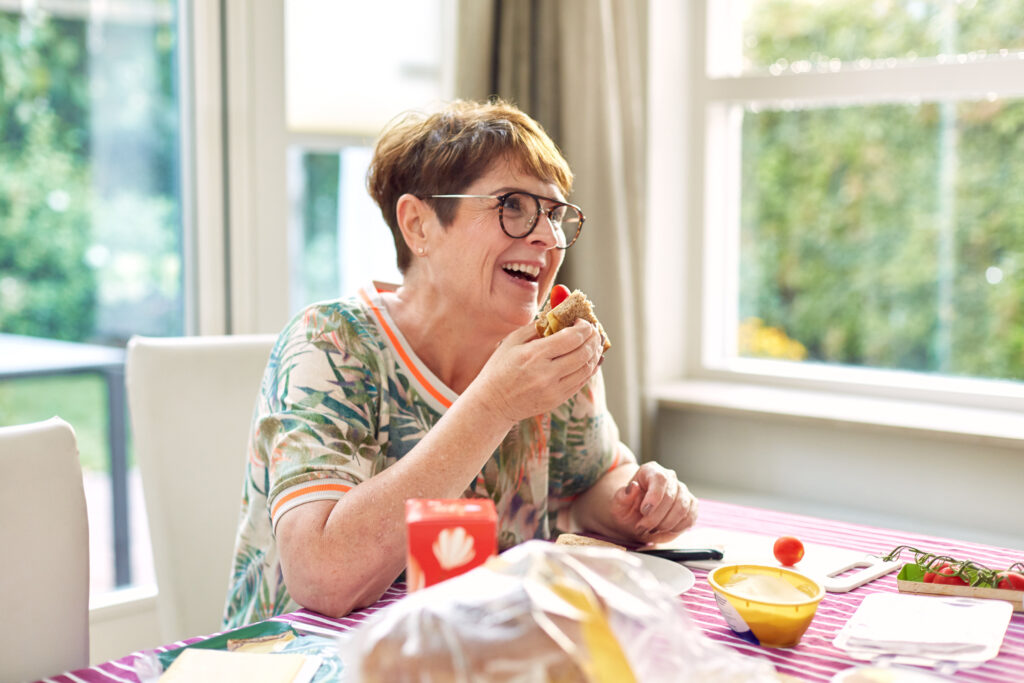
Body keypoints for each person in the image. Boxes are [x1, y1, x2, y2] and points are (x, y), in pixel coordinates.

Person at [223, 99, 698, 627]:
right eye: (513, 205)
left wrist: (633, 503)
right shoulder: (332, 344)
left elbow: (592, 482)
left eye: (555, 213)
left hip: (480, 653)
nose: (546, 236)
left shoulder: (548, 349)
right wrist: (494, 405)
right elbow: (323, 578)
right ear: (419, 225)